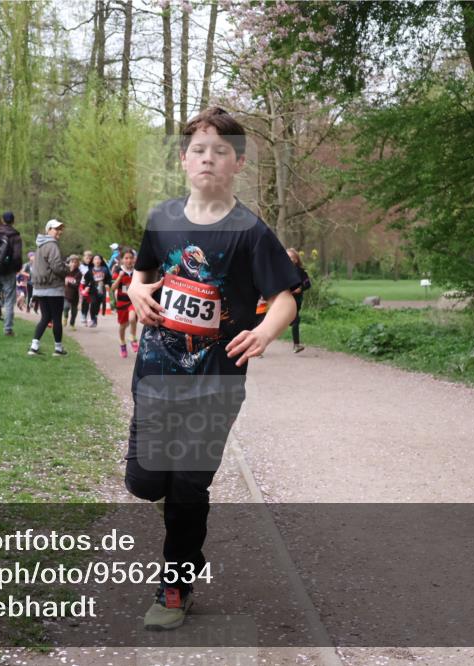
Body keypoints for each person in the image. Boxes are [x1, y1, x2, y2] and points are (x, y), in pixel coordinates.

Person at [124, 108, 299, 630]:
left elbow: (284, 298)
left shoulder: (250, 231)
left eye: (221, 151)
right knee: (146, 482)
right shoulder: (162, 219)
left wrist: (265, 332)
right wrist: (135, 289)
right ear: (183, 160)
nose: (208, 158)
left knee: (187, 488)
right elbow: (142, 272)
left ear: (237, 163)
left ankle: (174, 585)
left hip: (217, 381)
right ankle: (183, 550)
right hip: (156, 373)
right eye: (199, 149)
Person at [28, 219, 69, 356]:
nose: (59, 232)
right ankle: (58, 348)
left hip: (40, 288)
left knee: (45, 317)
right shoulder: (52, 245)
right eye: (56, 229)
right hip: (53, 288)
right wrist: (67, 270)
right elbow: (57, 266)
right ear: (48, 230)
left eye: (60, 229)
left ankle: (34, 346)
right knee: (56, 318)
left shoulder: (40, 245)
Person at [111, 248, 139, 358]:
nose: (129, 260)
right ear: (122, 260)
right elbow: (113, 288)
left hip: (133, 301)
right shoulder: (118, 270)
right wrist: (120, 277)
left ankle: (133, 337)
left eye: (131, 258)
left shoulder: (137, 271)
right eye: (126, 258)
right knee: (122, 326)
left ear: (134, 259)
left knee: (132, 319)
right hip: (122, 302)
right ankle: (122, 343)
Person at [286, 248, 311, 353]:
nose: (289, 259)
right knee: (296, 320)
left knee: (294, 319)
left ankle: (289, 320)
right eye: (287, 257)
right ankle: (296, 345)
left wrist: (300, 288)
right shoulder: (282, 271)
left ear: (296, 259)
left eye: (291, 257)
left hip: (297, 300)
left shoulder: (301, 271)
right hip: (286, 300)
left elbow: (307, 284)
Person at [82, 254, 110, 327]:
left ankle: (95, 316)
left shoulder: (105, 269)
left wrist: (107, 284)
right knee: (93, 303)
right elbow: (86, 280)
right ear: (92, 261)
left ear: (101, 261)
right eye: (95, 259)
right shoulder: (90, 271)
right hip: (92, 290)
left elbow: (108, 279)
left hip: (101, 290)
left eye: (98, 259)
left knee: (97, 305)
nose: (97, 261)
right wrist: (86, 287)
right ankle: (92, 319)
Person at [63, 255, 82, 331]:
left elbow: (77, 284)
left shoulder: (78, 273)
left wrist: (68, 283)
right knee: (66, 307)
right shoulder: (65, 271)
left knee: (74, 311)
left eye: (75, 262)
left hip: (74, 295)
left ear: (78, 264)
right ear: (69, 263)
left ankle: (72, 324)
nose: (74, 264)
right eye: (72, 262)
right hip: (66, 294)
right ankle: (65, 317)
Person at [78, 250, 94, 325]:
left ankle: (90, 318)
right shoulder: (80, 266)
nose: (88, 259)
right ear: (84, 258)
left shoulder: (93, 267)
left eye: (90, 258)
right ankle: (83, 314)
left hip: (91, 285)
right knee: (85, 300)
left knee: (91, 302)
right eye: (87, 258)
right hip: (83, 285)